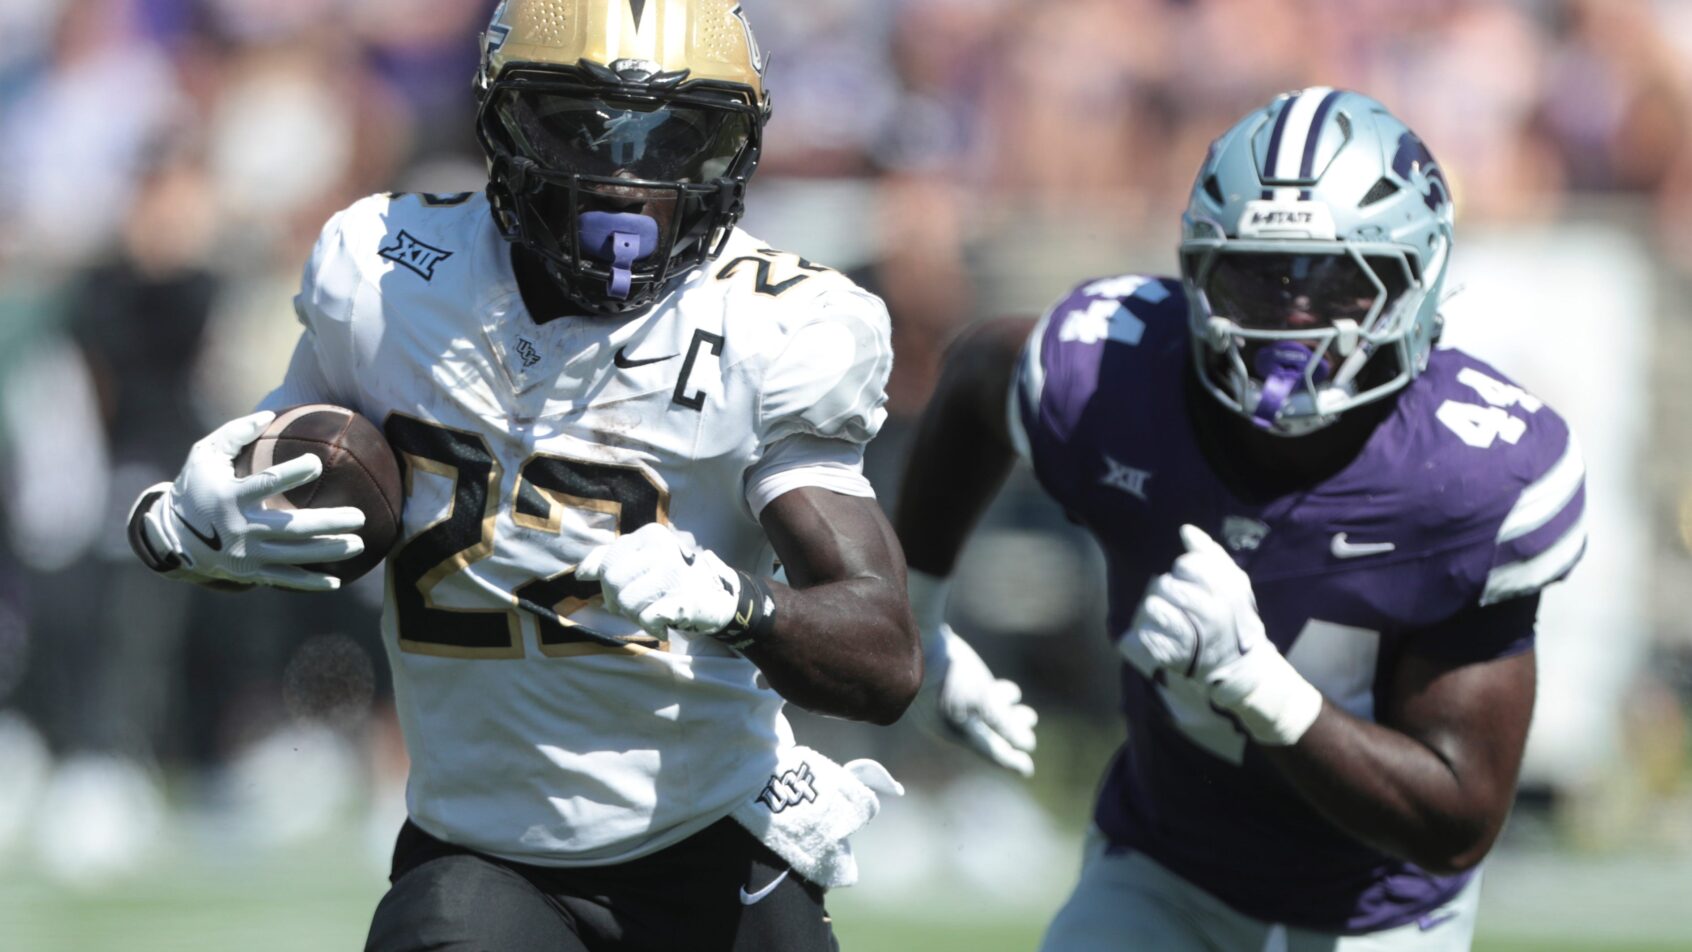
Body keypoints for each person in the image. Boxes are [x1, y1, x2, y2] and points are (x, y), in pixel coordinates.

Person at [123, 3, 930, 950]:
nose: (629, 181)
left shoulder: (778, 329)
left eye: (678, 134)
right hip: (482, 856)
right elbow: (286, 481)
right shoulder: (389, 275)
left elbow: (883, 656)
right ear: (504, 124)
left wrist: (738, 604)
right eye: (583, 124)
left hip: (712, 838)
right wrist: (173, 527)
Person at [895, 87, 1587, 950]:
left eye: (1336, 280)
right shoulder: (1115, 374)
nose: (1292, 318)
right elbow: (976, 377)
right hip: (1160, 872)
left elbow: (1455, 822)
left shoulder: (1470, 474)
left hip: (1374, 913)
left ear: (1416, 281)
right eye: (1257, 275)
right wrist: (915, 620)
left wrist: (1257, 685)